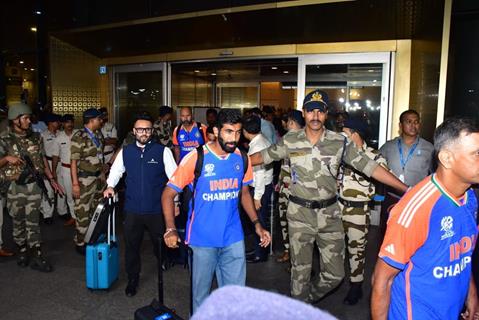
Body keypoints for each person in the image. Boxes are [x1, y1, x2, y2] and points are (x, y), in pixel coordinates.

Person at [249, 89, 407, 303]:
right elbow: (261, 157)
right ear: (304, 113)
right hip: (299, 214)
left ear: (326, 114)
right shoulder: (290, 140)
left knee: (335, 274)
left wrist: (406, 189)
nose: (315, 116)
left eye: (320, 111)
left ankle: (305, 299)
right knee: (300, 273)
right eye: (311, 111)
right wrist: (229, 160)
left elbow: (371, 168)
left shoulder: (339, 142)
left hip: (330, 215)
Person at [162, 109, 271, 313]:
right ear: (216, 130)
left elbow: (244, 193)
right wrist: (170, 228)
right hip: (202, 238)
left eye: (238, 133)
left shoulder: (241, 158)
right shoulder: (197, 157)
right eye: (229, 132)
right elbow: (168, 194)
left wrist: (257, 225)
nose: (234, 138)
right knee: (201, 296)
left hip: (233, 236)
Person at [371, 118, 479, 320]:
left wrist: (471, 295)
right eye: (477, 154)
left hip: (450, 310)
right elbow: (382, 280)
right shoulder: (417, 208)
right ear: (446, 158)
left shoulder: (470, 198)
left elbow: (461, 252)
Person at [104, 113, 177, 297]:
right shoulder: (126, 151)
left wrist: (175, 202)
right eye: (140, 129)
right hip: (132, 209)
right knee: (131, 247)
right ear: (134, 131)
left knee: (159, 243)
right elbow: (116, 171)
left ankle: (163, 260)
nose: (143, 133)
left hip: (156, 209)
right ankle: (133, 279)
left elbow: (175, 179)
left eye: (147, 129)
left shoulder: (163, 151)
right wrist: (110, 186)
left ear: (152, 131)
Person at [0, 102, 62, 272]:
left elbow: (41, 159)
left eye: (29, 118)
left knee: (34, 221)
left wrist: (51, 178)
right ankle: (22, 250)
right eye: (25, 118)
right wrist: (6, 159)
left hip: (33, 186)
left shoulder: (35, 137)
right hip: (14, 187)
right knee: (18, 221)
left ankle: (37, 253)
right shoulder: (4, 139)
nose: (29, 121)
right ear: (15, 120)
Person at [338, 118, 388, 305]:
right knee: (336, 247)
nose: (342, 137)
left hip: (358, 210)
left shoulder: (375, 156)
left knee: (356, 250)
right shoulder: (341, 154)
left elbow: (382, 178)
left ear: (355, 134)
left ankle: (356, 286)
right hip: (338, 206)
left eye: (345, 133)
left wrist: (359, 157)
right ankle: (336, 279)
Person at [378, 110, 434, 235]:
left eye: (416, 122)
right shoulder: (388, 146)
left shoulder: (429, 148)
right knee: (389, 234)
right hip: (392, 198)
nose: (413, 125)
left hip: (417, 200)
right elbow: (376, 169)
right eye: (409, 122)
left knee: (415, 235)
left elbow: (434, 175)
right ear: (400, 125)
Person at [70, 108, 105, 255]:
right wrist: (75, 184)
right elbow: (73, 162)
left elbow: (100, 156)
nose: (101, 121)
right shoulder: (79, 136)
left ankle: (90, 237)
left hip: (97, 179)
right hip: (84, 180)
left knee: (95, 211)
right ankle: (80, 242)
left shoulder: (97, 134)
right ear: (91, 120)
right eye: (99, 119)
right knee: (82, 212)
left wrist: (102, 173)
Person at [242, 115, 274, 263]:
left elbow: (259, 173)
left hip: (260, 189)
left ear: (245, 131)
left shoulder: (257, 146)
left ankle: (260, 254)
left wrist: (257, 198)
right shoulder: (261, 140)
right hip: (264, 187)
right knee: (258, 220)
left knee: (259, 221)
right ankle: (258, 250)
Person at [276, 110, 305, 264]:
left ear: (292, 122)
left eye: (287, 122)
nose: (285, 125)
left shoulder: (301, 140)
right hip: (285, 188)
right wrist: (280, 181)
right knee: (285, 222)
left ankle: (297, 258)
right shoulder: (289, 139)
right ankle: (289, 252)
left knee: (296, 225)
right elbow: (284, 164)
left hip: (295, 191)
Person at [51, 114, 77, 226]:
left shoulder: (79, 134)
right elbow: (55, 156)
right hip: (66, 169)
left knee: (81, 194)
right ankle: (74, 217)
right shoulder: (59, 138)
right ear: (62, 124)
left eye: (71, 122)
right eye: (67, 122)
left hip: (80, 169)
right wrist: (53, 172)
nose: (69, 124)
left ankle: (83, 215)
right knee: (70, 195)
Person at [40, 113, 65, 224]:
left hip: (61, 163)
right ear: (50, 123)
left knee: (62, 187)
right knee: (48, 190)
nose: (58, 123)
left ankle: (62, 211)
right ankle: (47, 214)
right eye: (56, 121)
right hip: (48, 163)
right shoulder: (42, 135)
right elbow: (41, 153)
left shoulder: (61, 134)